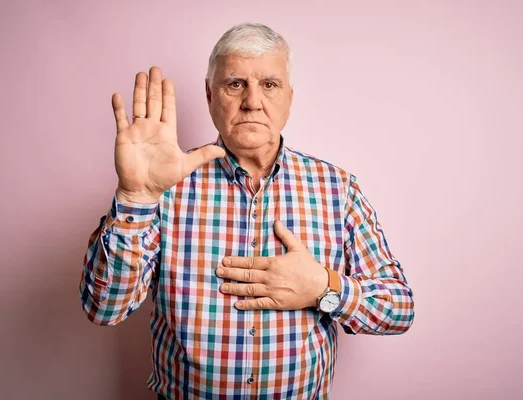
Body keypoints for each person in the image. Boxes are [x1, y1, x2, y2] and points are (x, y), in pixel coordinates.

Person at [80, 22, 414, 399]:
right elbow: (103, 308)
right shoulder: (165, 188)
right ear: (209, 95)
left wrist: (324, 287)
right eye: (235, 84)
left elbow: (398, 309)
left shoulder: (338, 190)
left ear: (290, 97)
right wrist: (136, 197)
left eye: (269, 85)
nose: (252, 101)